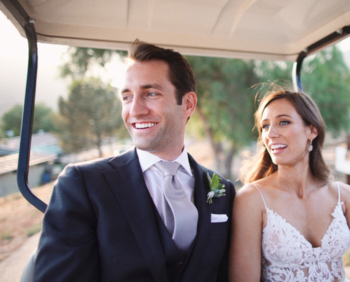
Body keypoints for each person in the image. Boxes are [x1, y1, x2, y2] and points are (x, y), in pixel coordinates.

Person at [34, 41, 235, 281]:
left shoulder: (222, 188)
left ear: (188, 104)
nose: (135, 110)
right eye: (127, 97)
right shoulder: (81, 185)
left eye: (151, 93)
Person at [229, 90, 350, 282]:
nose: (271, 134)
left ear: (312, 130)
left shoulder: (344, 196)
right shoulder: (251, 199)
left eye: (283, 122)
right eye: (265, 126)